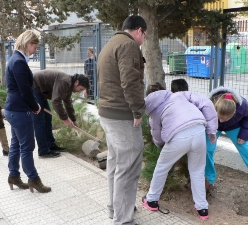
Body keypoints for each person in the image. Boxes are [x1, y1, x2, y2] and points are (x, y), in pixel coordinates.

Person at [98, 15, 147, 225]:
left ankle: (115, 209)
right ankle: (124, 220)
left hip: (108, 113)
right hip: (123, 115)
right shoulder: (128, 45)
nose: (144, 38)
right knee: (128, 168)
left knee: (116, 164)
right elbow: (131, 82)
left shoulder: (111, 42)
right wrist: (137, 111)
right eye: (145, 34)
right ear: (139, 30)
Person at [142, 89, 218, 220]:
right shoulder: (181, 95)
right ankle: (202, 208)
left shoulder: (154, 113)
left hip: (178, 135)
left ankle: (151, 200)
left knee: (162, 167)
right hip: (199, 129)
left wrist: (160, 145)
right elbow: (206, 102)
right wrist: (212, 129)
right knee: (198, 171)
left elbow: (157, 135)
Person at [4, 30, 51, 193]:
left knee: (16, 144)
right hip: (19, 110)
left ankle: (14, 176)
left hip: (14, 109)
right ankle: (33, 179)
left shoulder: (16, 60)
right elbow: (24, 90)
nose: (35, 50)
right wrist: (35, 106)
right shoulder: (18, 62)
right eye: (34, 46)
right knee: (27, 146)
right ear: (27, 43)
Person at [32, 69, 90, 158]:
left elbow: (68, 103)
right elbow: (56, 101)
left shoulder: (69, 85)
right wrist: (65, 119)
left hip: (41, 90)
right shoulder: (65, 81)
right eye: (80, 89)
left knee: (48, 118)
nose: (79, 91)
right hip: (34, 88)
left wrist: (73, 119)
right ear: (76, 82)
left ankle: (51, 145)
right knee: (40, 121)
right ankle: (43, 151)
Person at [206, 86, 248, 188]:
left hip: (235, 126)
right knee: (207, 149)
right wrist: (210, 129)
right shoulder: (209, 105)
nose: (221, 120)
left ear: (234, 112)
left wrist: (244, 134)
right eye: (219, 117)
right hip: (214, 127)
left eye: (225, 118)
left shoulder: (243, 106)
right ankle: (208, 179)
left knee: (245, 148)